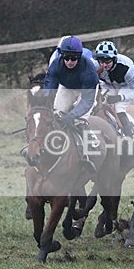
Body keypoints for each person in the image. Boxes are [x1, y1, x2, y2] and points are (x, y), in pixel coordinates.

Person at [43, 35, 100, 173]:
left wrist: (73, 115)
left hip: (86, 91)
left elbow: (87, 101)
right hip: (67, 86)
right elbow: (49, 89)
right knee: (57, 114)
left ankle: (87, 156)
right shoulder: (56, 65)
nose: (69, 61)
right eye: (66, 57)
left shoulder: (89, 70)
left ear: (79, 57)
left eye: (73, 58)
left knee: (79, 121)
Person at [94, 40, 134, 138]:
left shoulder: (127, 69)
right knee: (101, 103)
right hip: (108, 83)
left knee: (119, 107)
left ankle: (131, 133)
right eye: (101, 61)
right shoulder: (95, 65)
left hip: (126, 86)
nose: (104, 65)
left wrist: (120, 97)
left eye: (108, 61)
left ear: (114, 59)